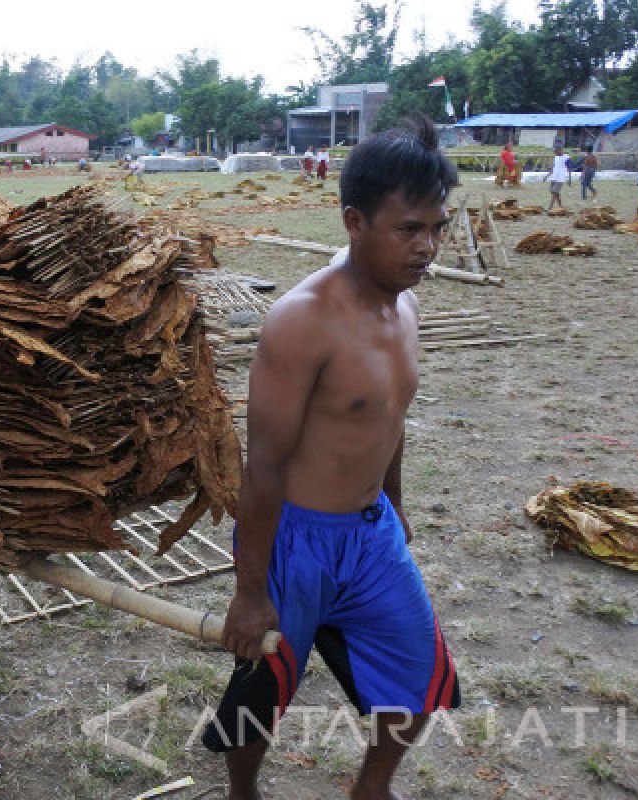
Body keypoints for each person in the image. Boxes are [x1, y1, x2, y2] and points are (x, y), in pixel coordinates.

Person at [207, 113, 461, 800]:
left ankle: (370, 788)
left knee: (419, 670)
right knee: (262, 688)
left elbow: (390, 418)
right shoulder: (302, 320)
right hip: (295, 538)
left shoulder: (405, 310)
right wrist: (251, 589)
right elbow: (262, 467)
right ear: (354, 221)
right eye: (409, 229)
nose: (428, 247)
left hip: (371, 532)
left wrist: (397, 505)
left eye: (438, 227)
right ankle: (243, 792)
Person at [545, 145, 570, 211]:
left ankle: (550, 207)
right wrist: (547, 176)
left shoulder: (566, 157)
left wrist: (569, 179)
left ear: (560, 150)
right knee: (553, 191)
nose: (555, 152)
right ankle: (560, 206)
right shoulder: (555, 157)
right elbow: (553, 168)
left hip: (561, 177)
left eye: (556, 151)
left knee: (554, 191)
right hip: (554, 177)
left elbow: (569, 168)